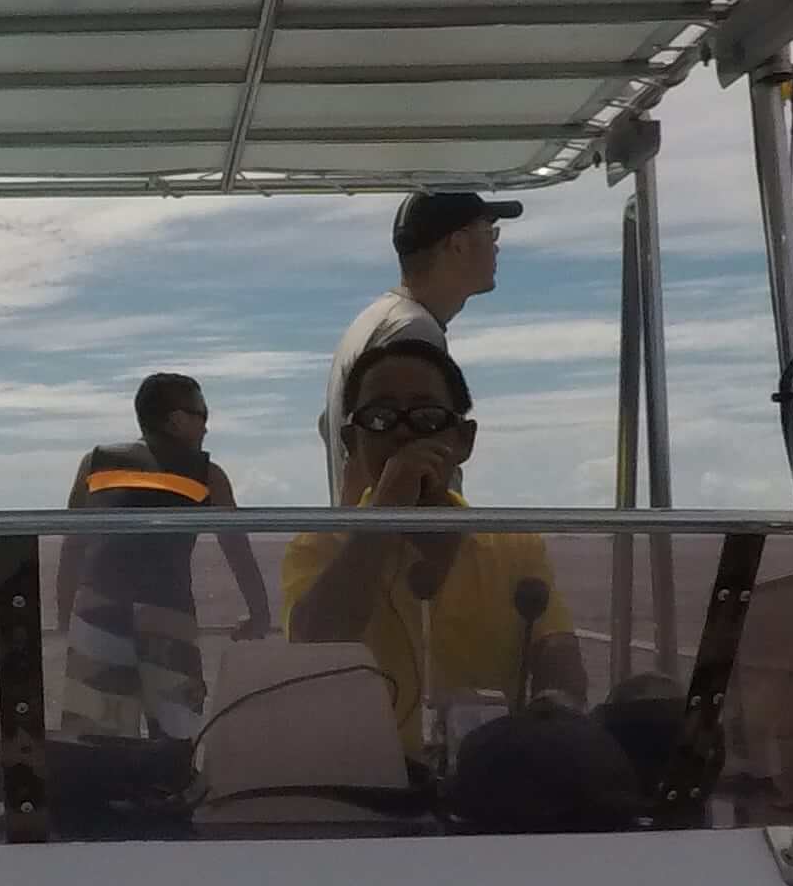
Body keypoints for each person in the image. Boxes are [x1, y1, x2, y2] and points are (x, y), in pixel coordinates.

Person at [283, 340, 586, 760]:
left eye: (426, 417)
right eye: (381, 417)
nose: (403, 433)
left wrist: (557, 712)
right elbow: (313, 643)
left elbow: (555, 645)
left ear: (464, 440)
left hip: (481, 779)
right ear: (351, 441)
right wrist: (386, 514)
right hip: (357, 780)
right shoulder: (320, 546)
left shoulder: (514, 545)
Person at [52, 372, 272, 739]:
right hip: (167, 613)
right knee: (176, 738)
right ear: (177, 419)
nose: (207, 426)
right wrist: (260, 614)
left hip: (97, 611)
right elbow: (237, 548)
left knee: (95, 744)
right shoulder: (207, 475)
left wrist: (64, 615)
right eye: (202, 414)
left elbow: (74, 544)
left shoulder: (96, 463)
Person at [320, 189, 521, 496]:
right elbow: (408, 471)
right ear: (458, 244)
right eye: (489, 232)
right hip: (400, 542)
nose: (497, 246)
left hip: (373, 537)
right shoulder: (412, 332)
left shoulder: (376, 320)